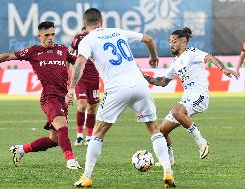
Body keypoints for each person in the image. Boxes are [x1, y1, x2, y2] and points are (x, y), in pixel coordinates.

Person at [65, 8, 176, 188]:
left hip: (116, 88)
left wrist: (71, 88)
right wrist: (153, 57)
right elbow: (148, 38)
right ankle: (168, 172)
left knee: (98, 132)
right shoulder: (117, 32)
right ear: (101, 20)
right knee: (154, 129)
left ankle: (86, 177)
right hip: (140, 85)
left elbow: (79, 63)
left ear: (84, 24)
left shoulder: (87, 40)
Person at [0, 21, 82, 170]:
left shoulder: (62, 50)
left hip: (62, 97)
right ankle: (71, 161)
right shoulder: (34, 52)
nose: (51, 38)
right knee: (62, 126)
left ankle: (20, 149)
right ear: (39, 36)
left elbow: (79, 62)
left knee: (55, 139)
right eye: (47, 35)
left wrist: (72, 88)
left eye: (53, 34)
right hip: (49, 98)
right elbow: (8, 56)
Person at [143, 27, 239, 166]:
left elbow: (210, 58)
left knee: (177, 111)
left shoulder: (192, 53)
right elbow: (162, 82)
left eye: (174, 41)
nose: (171, 44)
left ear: (183, 42)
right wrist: (144, 76)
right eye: (170, 41)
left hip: (200, 95)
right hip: (187, 97)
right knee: (161, 131)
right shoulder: (176, 62)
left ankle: (201, 141)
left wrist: (223, 68)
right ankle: (169, 160)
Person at [69, 27, 100, 146]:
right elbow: (69, 52)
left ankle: (89, 136)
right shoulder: (78, 38)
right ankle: (79, 136)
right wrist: (67, 67)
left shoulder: (98, 39)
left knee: (92, 107)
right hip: (80, 77)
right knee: (82, 104)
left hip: (94, 78)